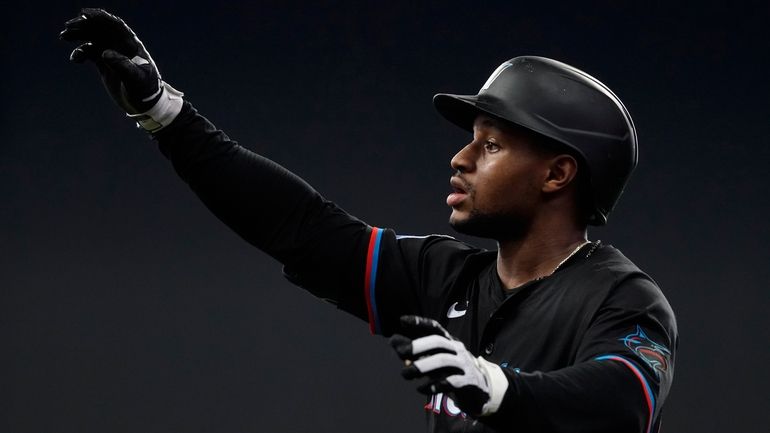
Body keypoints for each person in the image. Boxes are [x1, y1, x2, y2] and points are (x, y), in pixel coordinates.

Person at [61, 8, 677, 433]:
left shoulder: (621, 296)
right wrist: (165, 114)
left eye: (490, 144)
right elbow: (299, 228)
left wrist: (497, 387)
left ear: (557, 175)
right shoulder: (447, 276)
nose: (460, 157)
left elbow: (620, 402)